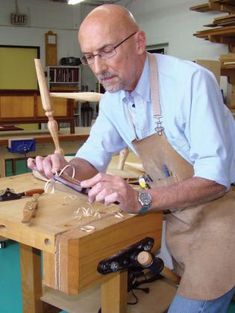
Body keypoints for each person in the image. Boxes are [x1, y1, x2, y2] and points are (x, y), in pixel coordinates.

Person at [28, 4, 235, 313]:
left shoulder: (191, 83)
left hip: (223, 213)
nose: (97, 68)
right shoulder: (115, 99)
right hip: (173, 214)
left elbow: (215, 178)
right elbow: (92, 158)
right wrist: (64, 170)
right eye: (89, 57)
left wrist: (140, 199)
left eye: (107, 51)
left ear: (139, 42)